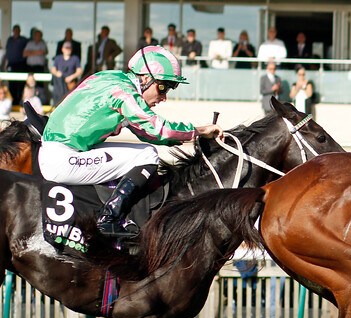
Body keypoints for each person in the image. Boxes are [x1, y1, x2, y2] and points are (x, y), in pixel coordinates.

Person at [39, 46, 222, 238]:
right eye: (162, 87)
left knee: (144, 150)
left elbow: (146, 133)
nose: (164, 97)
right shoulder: (125, 93)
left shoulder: (111, 78)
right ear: (145, 78)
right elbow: (159, 129)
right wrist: (200, 131)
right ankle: (108, 218)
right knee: (147, 154)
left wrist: (189, 138)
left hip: (62, 150)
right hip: (62, 158)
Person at [5, 25, 28, 105]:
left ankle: (20, 101)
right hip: (11, 64)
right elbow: (7, 51)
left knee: (20, 84)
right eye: (15, 30)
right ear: (13, 31)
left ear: (20, 31)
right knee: (12, 84)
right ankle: (14, 101)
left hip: (20, 64)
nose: (16, 31)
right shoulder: (10, 40)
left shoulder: (23, 40)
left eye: (18, 30)